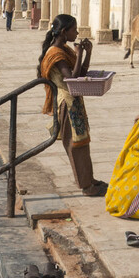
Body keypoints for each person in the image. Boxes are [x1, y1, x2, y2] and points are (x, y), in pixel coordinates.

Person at [38, 14, 107, 197]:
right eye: (74, 29)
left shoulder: (65, 49)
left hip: (74, 102)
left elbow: (81, 72)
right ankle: (86, 186)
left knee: (83, 142)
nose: (77, 33)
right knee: (74, 145)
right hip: (66, 103)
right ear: (63, 31)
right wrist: (79, 54)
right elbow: (71, 78)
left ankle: (89, 179)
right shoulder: (55, 53)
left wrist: (87, 54)